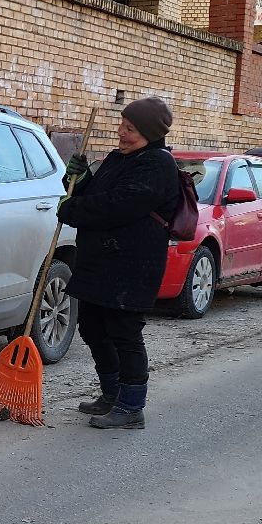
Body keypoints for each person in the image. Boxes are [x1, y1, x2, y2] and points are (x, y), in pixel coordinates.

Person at [58, 97, 180, 430]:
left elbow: (117, 206)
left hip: (131, 265)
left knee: (124, 332)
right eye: (122, 125)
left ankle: (131, 406)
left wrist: (70, 210)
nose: (121, 133)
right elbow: (95, 195)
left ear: (148, 132)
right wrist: (79, 181)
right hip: (101, 260)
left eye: (129, 128)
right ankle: (112, 393)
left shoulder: (157, 164)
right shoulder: (118, 158)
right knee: (93, 326)